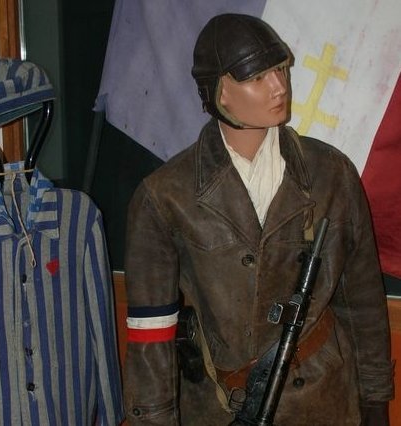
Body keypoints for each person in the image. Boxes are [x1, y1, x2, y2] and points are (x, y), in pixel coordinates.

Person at [123, 13, 394, 425]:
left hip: (323, 403)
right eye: (257, 77)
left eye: (280, 70)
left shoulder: (330, 174)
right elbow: (152, 333)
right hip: (220, 405)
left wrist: (375, 402)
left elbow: (362, 301)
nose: (279, 87)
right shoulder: (165, 197)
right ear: (220, 92)